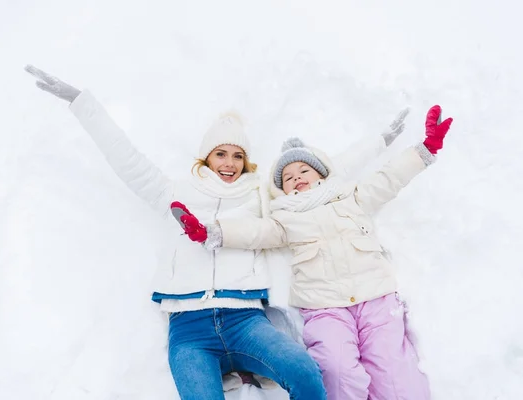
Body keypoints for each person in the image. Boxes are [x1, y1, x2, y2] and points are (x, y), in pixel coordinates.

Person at [24, 64, 328, 400]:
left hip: (247, 322)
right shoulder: (174, 192)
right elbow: (126, 158)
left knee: (304, 373)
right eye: (221, 154)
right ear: (207, 157)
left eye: (238, 156)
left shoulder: (257, 194)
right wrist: (81, 103)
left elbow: (312, 189)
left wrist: (308, 159)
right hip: (189, 330)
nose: (229, 163)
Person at [176, 105, 452, 399]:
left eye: (304, 170)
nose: (297, 177)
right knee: (336, 369)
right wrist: (213, 232)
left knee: (394, 372)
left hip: (376, 299)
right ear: (281, 190)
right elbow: (255, 233)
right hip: (325, 309)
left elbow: (388, 178)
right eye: (288, 177)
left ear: (321, 173)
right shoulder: (284, 219)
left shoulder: (352, 198)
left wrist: (424, 150)